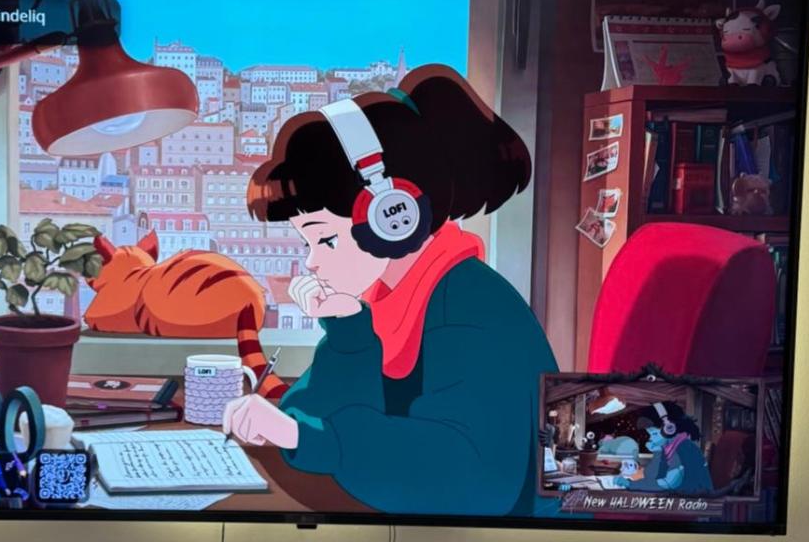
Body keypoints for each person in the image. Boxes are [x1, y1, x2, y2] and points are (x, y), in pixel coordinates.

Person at [222, 64, 558, 516]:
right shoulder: (390, 299)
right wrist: (347, 334)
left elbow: (469, 481)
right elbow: (313, 411)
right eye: (307, 243)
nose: (312, 261)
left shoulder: (471, 310)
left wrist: (304, 436)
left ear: (391, 217)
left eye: (324, 239)